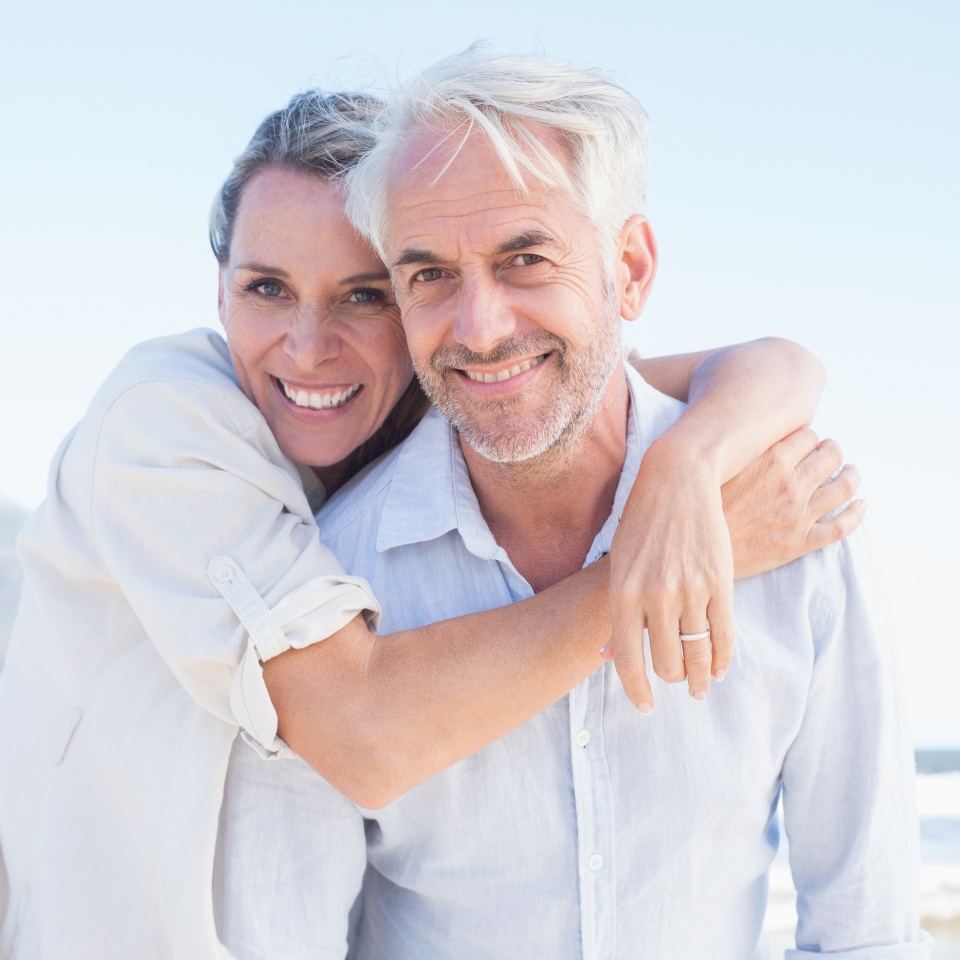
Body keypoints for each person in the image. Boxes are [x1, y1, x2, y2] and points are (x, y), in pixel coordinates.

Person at [0, 90, 859, 960]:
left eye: (364, 296)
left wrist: (687, 469)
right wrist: (652, 570)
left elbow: (750, 366)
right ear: (218, 291)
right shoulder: (165, 425)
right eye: (267, 287)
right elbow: (360, 733)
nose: (307, 345)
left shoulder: (436, 403)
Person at [233, 51, 929, 959]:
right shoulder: (330, 581)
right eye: (429, 274)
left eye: (525, 259)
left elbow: (867, 935)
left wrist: (687, 466)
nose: (480, 328)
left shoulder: (795, 522)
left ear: (629, 268)